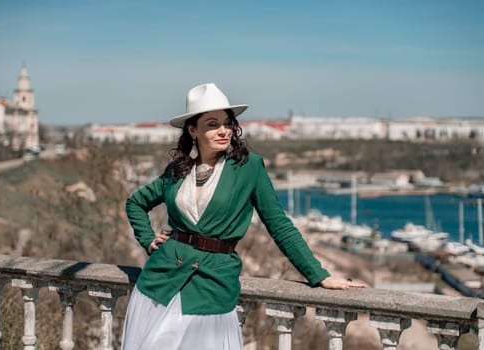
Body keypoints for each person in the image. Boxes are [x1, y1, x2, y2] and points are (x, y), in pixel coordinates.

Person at [121, 83, 366, 349]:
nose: (223, 130)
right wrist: (148, 240)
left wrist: (318, 274)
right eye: (212, 124)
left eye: (227, 123)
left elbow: (279, 225)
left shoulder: (248, 168)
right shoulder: (178, 171)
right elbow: (136, 203)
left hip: (212, 286)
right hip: (160, 283)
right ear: (193, 130)